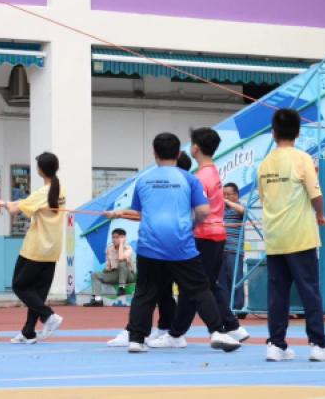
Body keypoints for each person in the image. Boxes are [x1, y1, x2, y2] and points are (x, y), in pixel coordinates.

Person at [104, 132, 241, 354]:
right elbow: (203, 210)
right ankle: (217, 331)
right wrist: (190, 225)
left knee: (145, 292)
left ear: (154, 153)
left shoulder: (143, 180)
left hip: (150, 245)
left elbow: (138, 212)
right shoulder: (190, 179)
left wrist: (117, 213)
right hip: (181, 244)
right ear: (178, 153)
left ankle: (136, 339)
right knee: (199, 288)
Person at [148, 128, 249, 348]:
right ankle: (231, 326)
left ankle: (182, 333)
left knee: (193, 286)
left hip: (204, 235)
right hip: (217, 234)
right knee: (205, 285)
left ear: (195, 148)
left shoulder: (200, 178)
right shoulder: (212, 172)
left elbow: (197, 210)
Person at [258, 108, 325, 362]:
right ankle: (318, 344)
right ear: (298, 132)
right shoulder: (302, 159)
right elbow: (316, 194)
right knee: (309, 292)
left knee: (277, 294)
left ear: (273, 133)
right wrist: (321, 215)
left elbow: (264, 199)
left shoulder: (264, 164)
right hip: (300, 237)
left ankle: (276, 344)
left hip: (275, 238)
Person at [105, 149, 190, 347]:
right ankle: (167, 329)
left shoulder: (173, 187)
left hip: (162, 246)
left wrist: (119, 213)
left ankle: (135, 332)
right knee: (163, 290)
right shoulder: (183, 186)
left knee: (148, 291)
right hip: (173, 246)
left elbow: (144, 214)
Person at [0, 152, 66, 344]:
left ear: (40, 170)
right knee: (38, 293)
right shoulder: (60, 189)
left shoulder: (42, 193)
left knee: (19, 286)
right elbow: (28, 204)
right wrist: (13, 203)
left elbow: (14, 210)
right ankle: (28, 332)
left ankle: (48, 316)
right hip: (52, 249)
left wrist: (5, 204)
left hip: (36, 249)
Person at [84, 229, 135, 307]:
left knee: (122, 263)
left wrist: (121, 244)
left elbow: (121, 258)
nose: (114, 239)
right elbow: (108, 266)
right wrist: (106, 271)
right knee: (95, 275)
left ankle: (122, 288)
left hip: (128, 275)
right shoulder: (109, 249)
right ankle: (98, 300)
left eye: (117, 237)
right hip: (115, 274)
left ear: (123, 238)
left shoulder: (128, 248)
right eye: (113, 237)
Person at [218, 182, 246, 316]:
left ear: (236, 195)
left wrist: (227, 202)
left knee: (236, 279)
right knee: (222, 282)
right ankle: (225, 309)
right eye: (223, 194)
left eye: (228, 194)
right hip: (220, 250)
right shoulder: (220, 209)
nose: (225, 197)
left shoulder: (239, 207)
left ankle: (238, 308)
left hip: (234, 250)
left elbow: (244, 212)